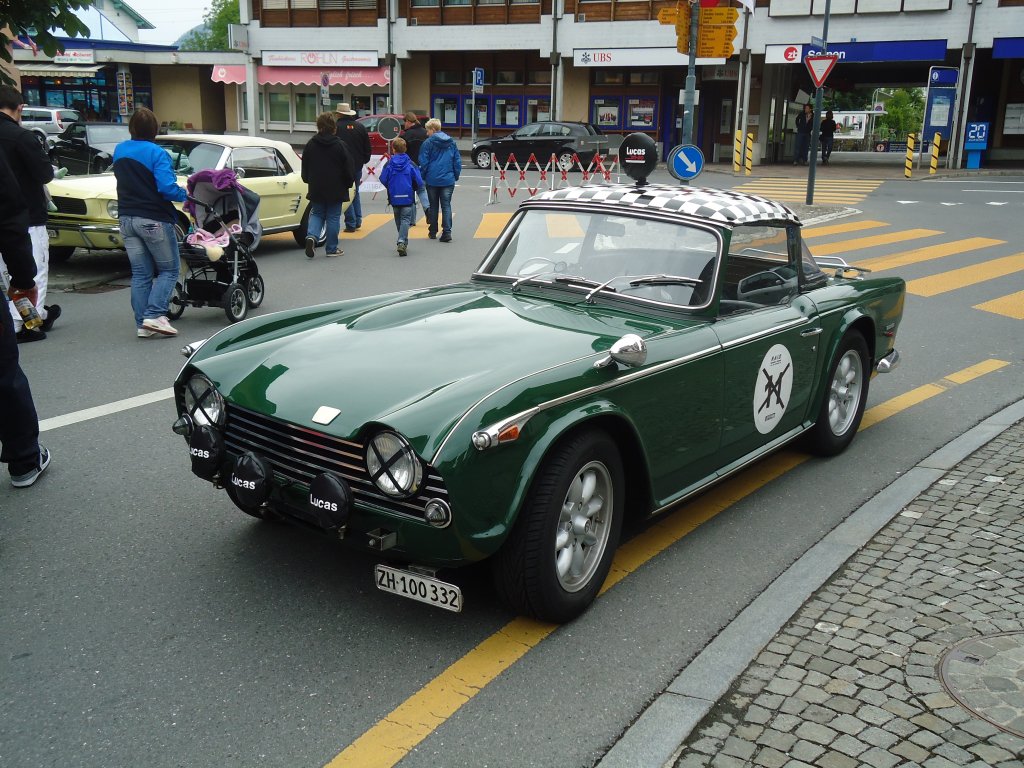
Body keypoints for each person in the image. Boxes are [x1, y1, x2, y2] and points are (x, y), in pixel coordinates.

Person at [112, 107, 188, 338]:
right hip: (153, 219)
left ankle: (142, 323)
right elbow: (166, 188)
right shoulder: (157, 153)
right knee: (169, 270)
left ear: (131, 127)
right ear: (154, 129)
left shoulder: (120, 150)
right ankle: (154, 315)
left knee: (140, 273)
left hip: (126, 218)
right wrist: (185, 194)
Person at [0, 149, 50, 488]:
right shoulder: (18, 138)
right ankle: (24, 460)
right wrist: (22, 278)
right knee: (3, 374)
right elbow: (8, 214)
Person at [0, 84, 58, 343]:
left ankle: (37, 315)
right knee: (33, 269)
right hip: (27, 214)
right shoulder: (21, 137)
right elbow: (44, 173)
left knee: (4, 273)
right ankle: (24, 323)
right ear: (19, 108)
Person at [300, 111, 355, 259]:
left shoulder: (311, 144)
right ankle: (331, 248)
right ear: (333, 127)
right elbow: (348, 167)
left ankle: (311, 236)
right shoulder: (340, 145)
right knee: (333, 216)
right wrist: (349, 183)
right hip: (336, 187)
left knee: (317, 213)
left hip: (316, 186)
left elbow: (305, 166)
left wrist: (307, 179)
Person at [379, 137, 424, 258]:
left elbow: (382, 178)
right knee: (405, 220)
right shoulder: (411, 164)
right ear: (405, 149)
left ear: (393, 149)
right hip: (408, 196)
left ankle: (402, 241)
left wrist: (390, 186)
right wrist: (413, 187)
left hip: (394, 197)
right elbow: (419, 181)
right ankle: (402, 241)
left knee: (398, 220)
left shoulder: (389, 164)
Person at [419, 118, 461, 243]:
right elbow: (457, 161)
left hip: (432, 179)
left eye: (427, 130)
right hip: (448, 179)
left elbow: (423, 162)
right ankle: (447, 232)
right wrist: (455, 176)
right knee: (446, 205)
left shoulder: (427, 143)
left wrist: (423, 176)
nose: (427, 133)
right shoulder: (451, 142)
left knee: (433, 205)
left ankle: (433, 231)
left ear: (432, 129)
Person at [334, 102, 371, 233]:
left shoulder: (336, 127)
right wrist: (363, 160)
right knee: (355, 192)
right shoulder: (360, 127)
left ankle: (350, 222)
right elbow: (367, 147)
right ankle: (358, 220)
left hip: (341, 166)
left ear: (338, 114)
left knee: (345, 192)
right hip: (357, 165)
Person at [399, 111, 430, 221]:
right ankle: (427, 209)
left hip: (409, 166)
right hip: (423, 165)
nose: (404, 125)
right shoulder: (425, 133)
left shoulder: (406, 135)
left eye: (405, 122)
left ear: (408, 121)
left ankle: (412, 220)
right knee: (421, 190)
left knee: (410, 192)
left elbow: (401, 151)